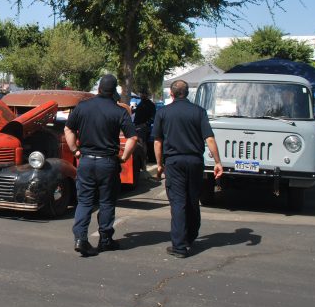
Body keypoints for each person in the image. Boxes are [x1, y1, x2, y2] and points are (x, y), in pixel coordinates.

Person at [65, 74, 137, 257]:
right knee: (106, 202)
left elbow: (68, 129)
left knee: (85, 201)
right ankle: (105, 239)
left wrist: (75, 150)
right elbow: (132, 138)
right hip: (108, 162)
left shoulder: (83, 107)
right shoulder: (119, 111)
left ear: (98, 89)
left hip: (86, 160)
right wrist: (124, 156)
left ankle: (80, 239)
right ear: (114, 91)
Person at [152, 80, 224, 258]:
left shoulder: (163, 113)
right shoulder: (199, 112)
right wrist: (217, 161)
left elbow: (157, 141)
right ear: (187, 93)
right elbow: (209, 139)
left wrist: (159, 164)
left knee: (178, 202)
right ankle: (190, 236)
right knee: (192, 200)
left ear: (172, 93)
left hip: (174, 161)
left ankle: (179, 246)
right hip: (194, 160)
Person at [133, 87, 157, 169]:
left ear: (147, 95)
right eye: (141, 93)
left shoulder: (150, 105)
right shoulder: (141, 103)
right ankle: (142, 160)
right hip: (138, 126)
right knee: (140, 143)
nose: (141, 95)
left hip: (143, 127)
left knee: (142, 143)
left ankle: (143, 161)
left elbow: (153, 117)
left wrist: (145, 124)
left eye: (143, 93)